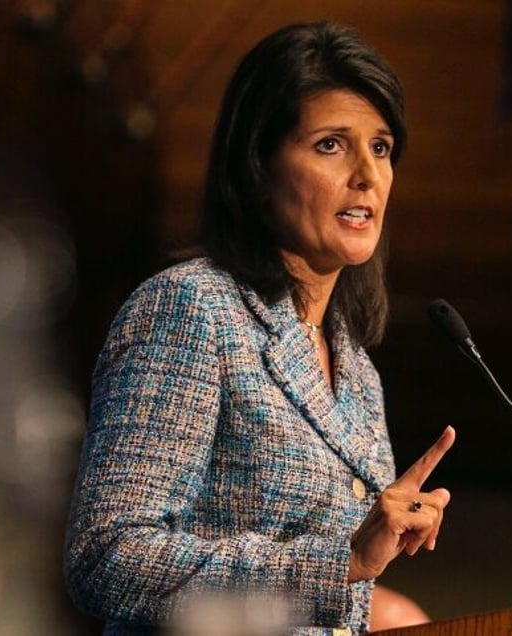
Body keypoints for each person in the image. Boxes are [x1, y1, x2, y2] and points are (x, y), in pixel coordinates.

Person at [63, 21, 456, 636]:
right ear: (258, 170)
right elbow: (110, 556)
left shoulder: (357, 369)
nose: (367, 174)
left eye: (380, 147)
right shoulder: (191, 308)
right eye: (331, 144)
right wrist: (340, 564)